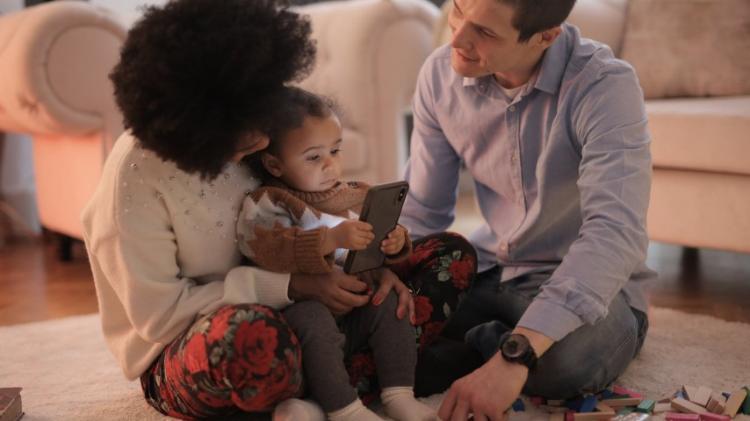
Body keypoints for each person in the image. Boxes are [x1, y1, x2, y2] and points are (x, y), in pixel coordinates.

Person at [81, 0, 477, 419]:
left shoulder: (258, 133)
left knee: (449, 256)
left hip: (316, 311)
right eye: (248, 125)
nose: (264, 135)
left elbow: (312, 214)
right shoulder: (136, 180)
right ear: (202, 120)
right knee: (254, 340)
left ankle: (329, 392)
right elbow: (160, 320)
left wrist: (368, 264)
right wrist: (294, 286)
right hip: (195, 340)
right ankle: (360, 379)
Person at [399, 0, 656, 419]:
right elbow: (423, 211)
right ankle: (482, 351)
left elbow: (613, 232)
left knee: (569, 363)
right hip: (491, 268)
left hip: (590, 287)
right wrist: (385, 269)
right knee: (388, 314)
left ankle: (486, 355)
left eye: (485, 32)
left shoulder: (605, 86)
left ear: (546, 36)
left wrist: (516, 356)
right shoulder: (439, 73)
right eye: (459, 9)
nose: (458, 38)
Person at [237, 86, 437, 421]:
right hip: (300, 316)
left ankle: (399, 393)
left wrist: (393, 244)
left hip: (351, 310)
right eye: (314, 157)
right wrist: (330, 240)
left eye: (335, 150)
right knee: (312, 318)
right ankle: (344, 408)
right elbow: (268, 249)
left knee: (388, 303)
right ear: (274, 164)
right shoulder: (268, 202)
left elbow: (372, 240)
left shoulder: (349, 195)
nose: (331, 165)